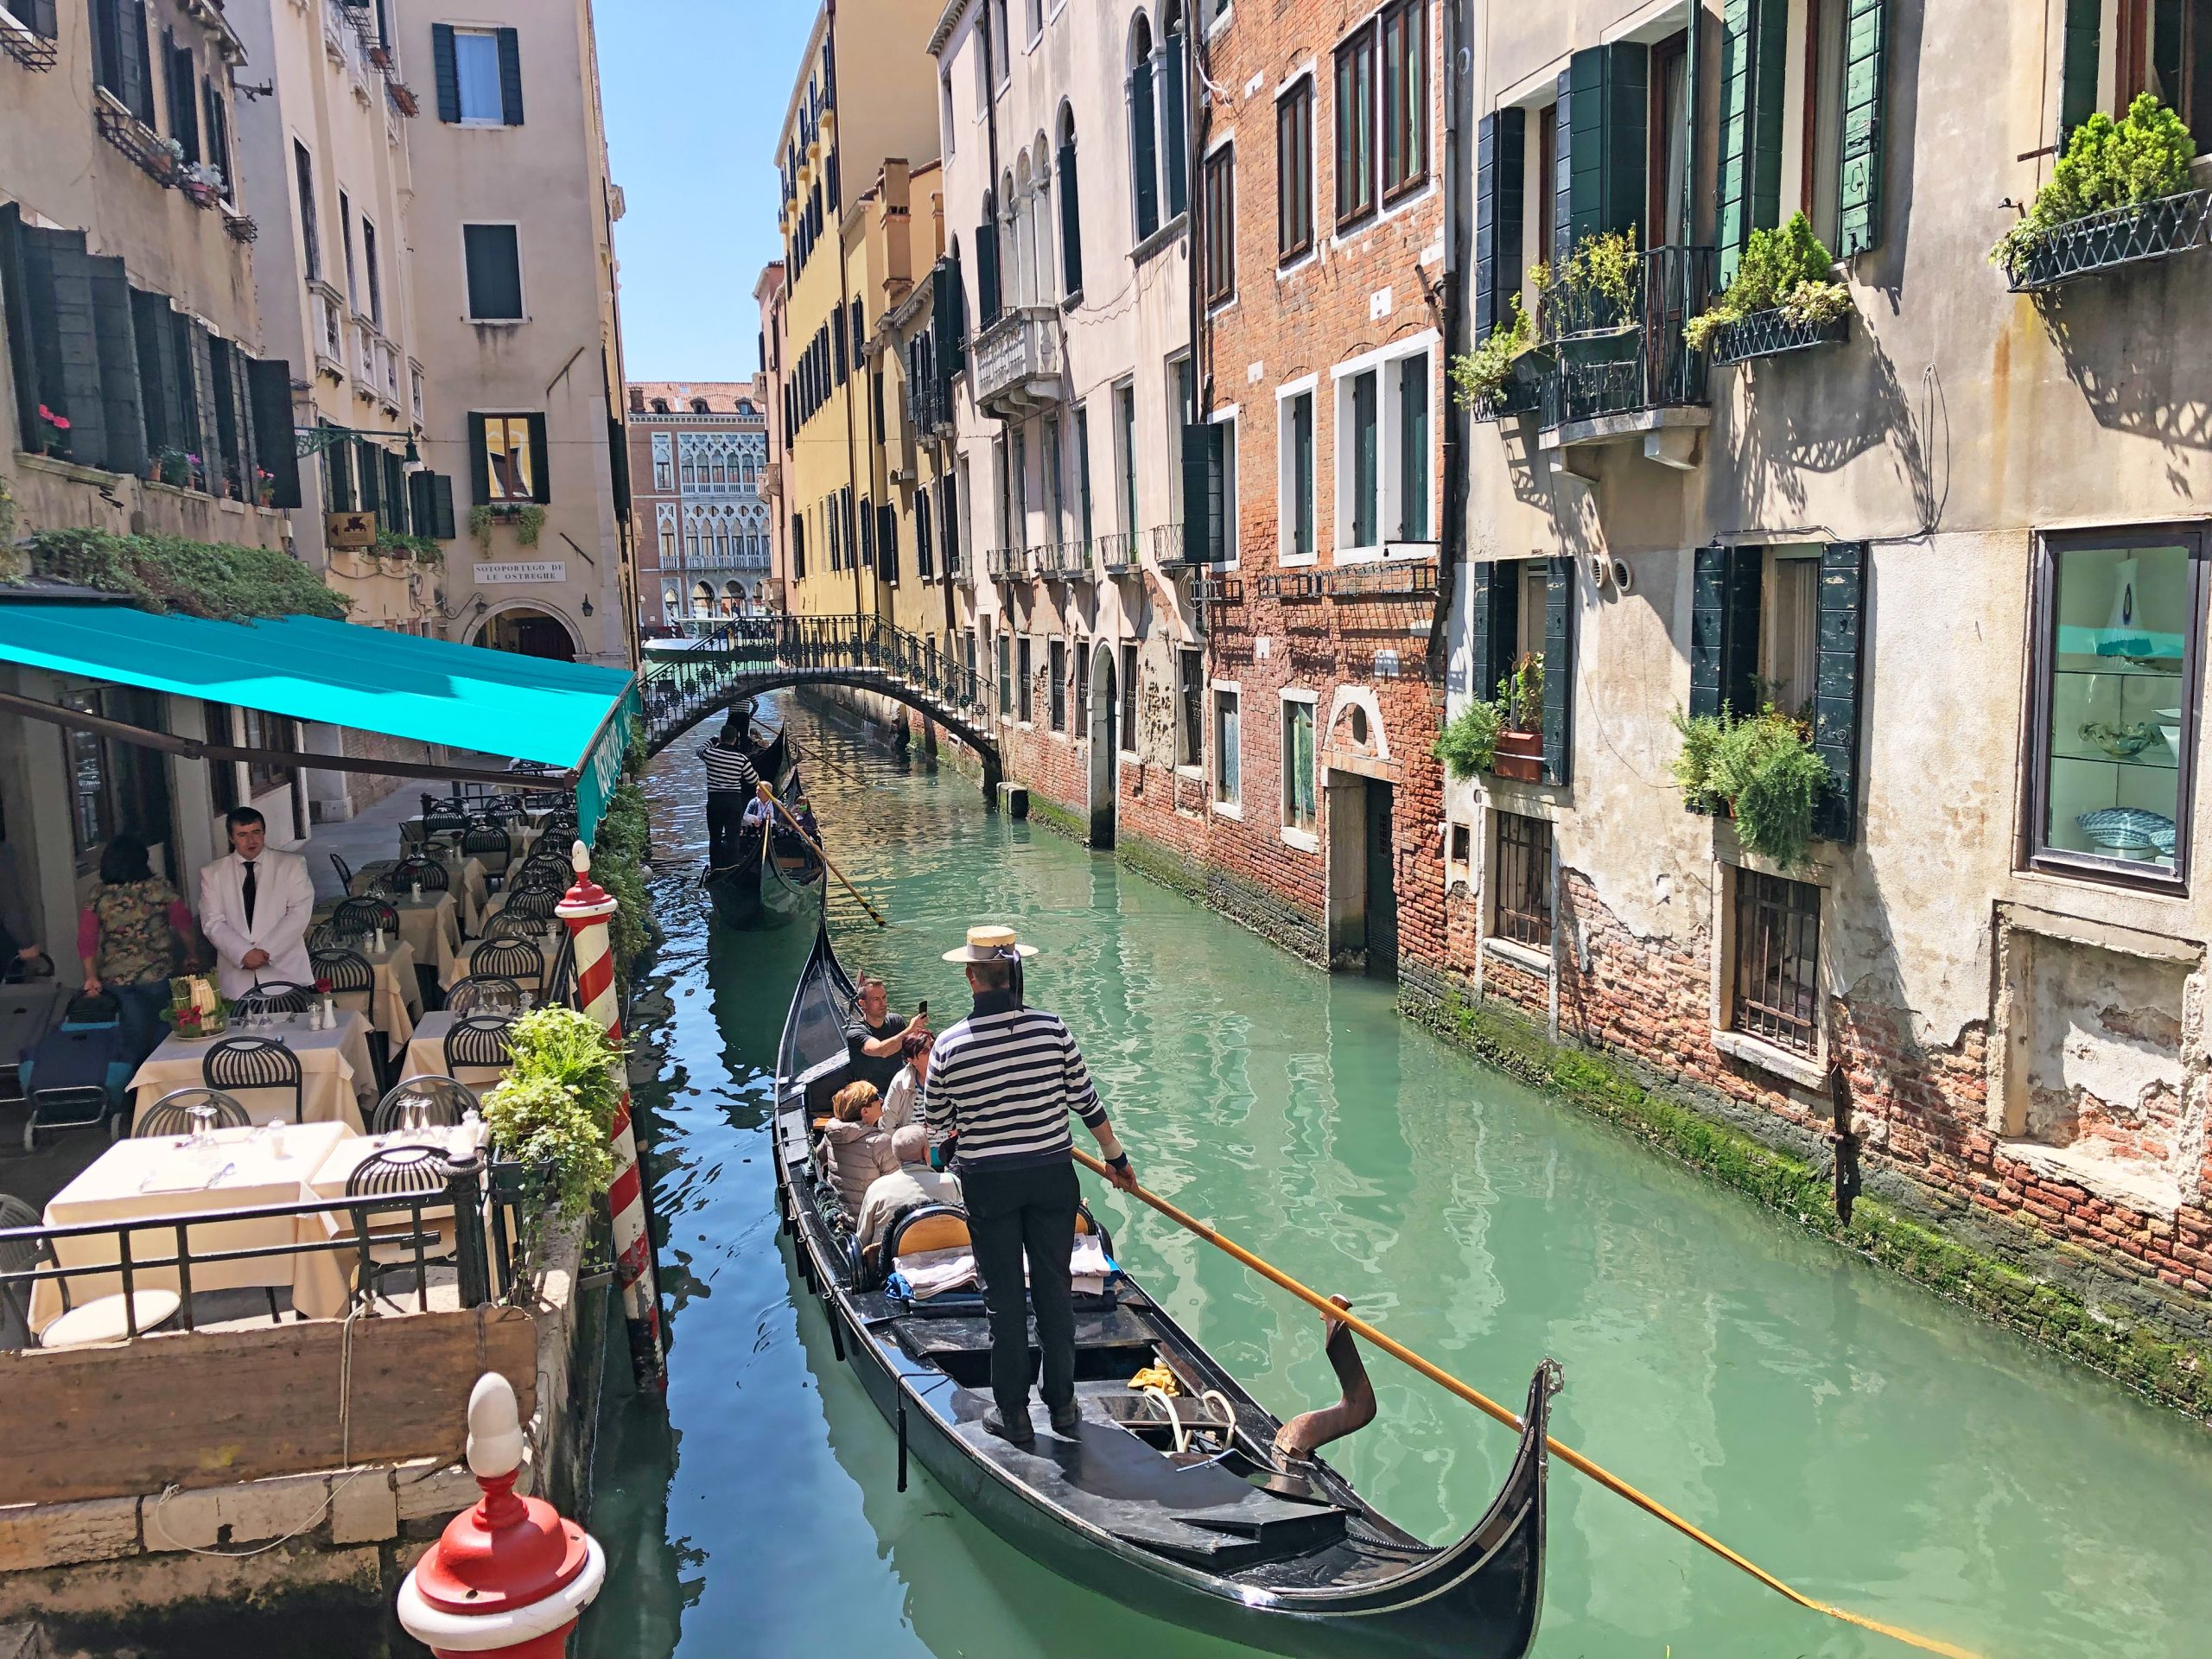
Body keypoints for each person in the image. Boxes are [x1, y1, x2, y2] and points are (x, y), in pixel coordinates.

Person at [923, 923, 1136, 1446]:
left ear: (972, 977)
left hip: (989, 1185)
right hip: (1050, 1177)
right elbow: (1088, 1104)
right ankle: (1062, 1405)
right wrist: (1117, 1160)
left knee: (1004, 1301)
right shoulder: (1053, 1030)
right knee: (1053, 1290)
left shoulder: (947, 1047)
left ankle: (1013, 1415)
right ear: (1015, 973)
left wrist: (956, 1146)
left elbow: (936, 1133)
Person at [79, 834, 198, 1046]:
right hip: (158, 974)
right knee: (166, 1035)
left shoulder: (98, 895)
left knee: (133, 1038)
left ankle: (138, 1065)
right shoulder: (159, 888)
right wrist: (192, 954)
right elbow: (183, 924)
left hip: (117, 980)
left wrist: (91, 976)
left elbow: (87, 938)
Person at [198, 807, 315, 999]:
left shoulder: (291, 864)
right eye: (242, 835)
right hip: (236, 978)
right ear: (231, 838)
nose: (251, 841)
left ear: (264, 832)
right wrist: (243, 953)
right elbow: (212, 922)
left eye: (256, 832)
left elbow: (299, 913)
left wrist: (266, 952)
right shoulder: (213, 873)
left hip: (285, 973)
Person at [852, 1125, 963, 1263]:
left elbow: (862, 1240)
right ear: (926, 1151)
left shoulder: (877, 1188)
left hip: (892, 1268)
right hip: (949, 1265)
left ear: (895, 1154)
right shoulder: (952, 1183)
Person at [817, 1079, 902, 1214]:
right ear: (865, 1111)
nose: (881, 1100)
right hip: (868, 1219)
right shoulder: (880, 1143)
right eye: (875, 1098)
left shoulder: (832, 1134)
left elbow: (817, 1160)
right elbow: (897, 1186)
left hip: (839, 1214)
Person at [844, 973, 924, 1095]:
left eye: (884, 997)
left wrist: (918, 1033)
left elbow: (910, 1051)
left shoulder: (896, 1021)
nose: (883, 1003)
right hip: (872, 1093)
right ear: (862, 1004)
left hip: (899, 1086)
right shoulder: (856, 1032)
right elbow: (882, 1051)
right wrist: (909, 1030)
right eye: (876, 999)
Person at [700, 717, 761, 870]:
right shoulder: (741, 759)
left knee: (715, 837)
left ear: (721, 738)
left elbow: (700, 749)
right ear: (735, 740)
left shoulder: (710, 754)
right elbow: (753, 780)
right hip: (733, 802)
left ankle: (716, 869)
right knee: (733, 837)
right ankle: (732, 867)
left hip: (715, 802)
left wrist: (714, 739)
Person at [880, 1028, 933, 1133]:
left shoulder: (951, 1074)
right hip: (913, 1142)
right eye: (925, 1051)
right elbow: (887, 1125)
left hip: (949, 1142)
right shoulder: (901, 1082)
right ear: (912, 1060)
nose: (932, 1052)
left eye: (933, 1046)